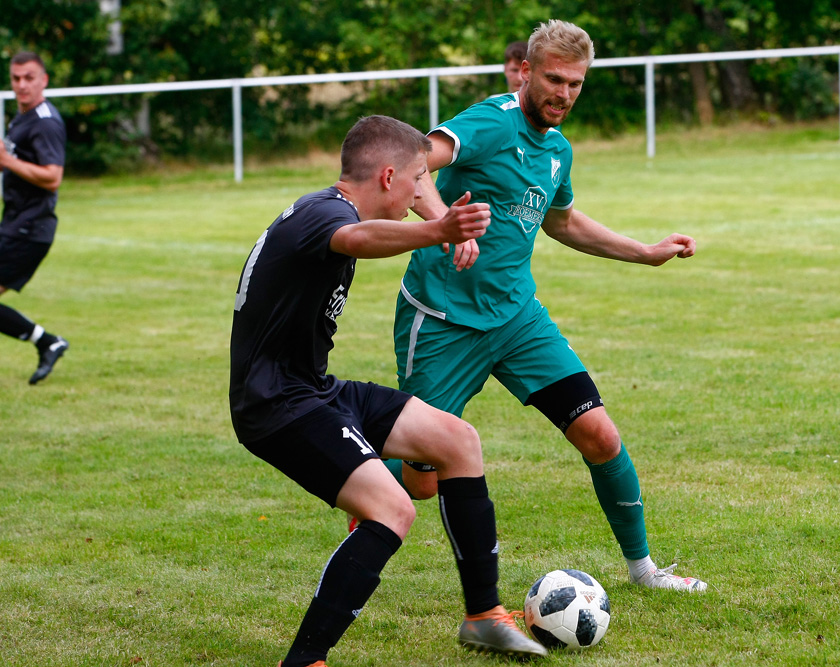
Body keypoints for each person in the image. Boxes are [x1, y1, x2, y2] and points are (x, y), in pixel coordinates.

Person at [390, 20, 709, 593]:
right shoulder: (490, 122)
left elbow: (561, 221)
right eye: (555, 79)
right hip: (441, 321)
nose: (563, 94)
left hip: (516, 319)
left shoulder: (556, 149)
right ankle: (358, 471)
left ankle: (644, 571)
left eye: (576, 84)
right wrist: (443, 225)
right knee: (419, 483)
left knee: (601, 437)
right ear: (527, 72)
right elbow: (415, 160)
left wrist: (645, 251)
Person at [229, 114, 547, 667]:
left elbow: (375, 224)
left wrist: (442, 223)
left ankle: (483, 617)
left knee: (457, 440)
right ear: (387, 176)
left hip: (312, 388)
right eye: (418, 178)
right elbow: (355, 237)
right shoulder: (328, 213)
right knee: (392, 510)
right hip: (277, 404)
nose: (422, 188)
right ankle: (305, 660)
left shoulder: (324, 205)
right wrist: (438, 231)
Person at [0, 51, 69, 384]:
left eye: (29, 78)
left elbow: (53, 176)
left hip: (31, 228)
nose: (21, 85)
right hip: (15, 222)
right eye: (16, 78)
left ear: (44, 80)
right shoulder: (22, 116)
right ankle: (47, 341)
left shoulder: (45, 122)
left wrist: (8, 162)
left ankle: (47, 340)